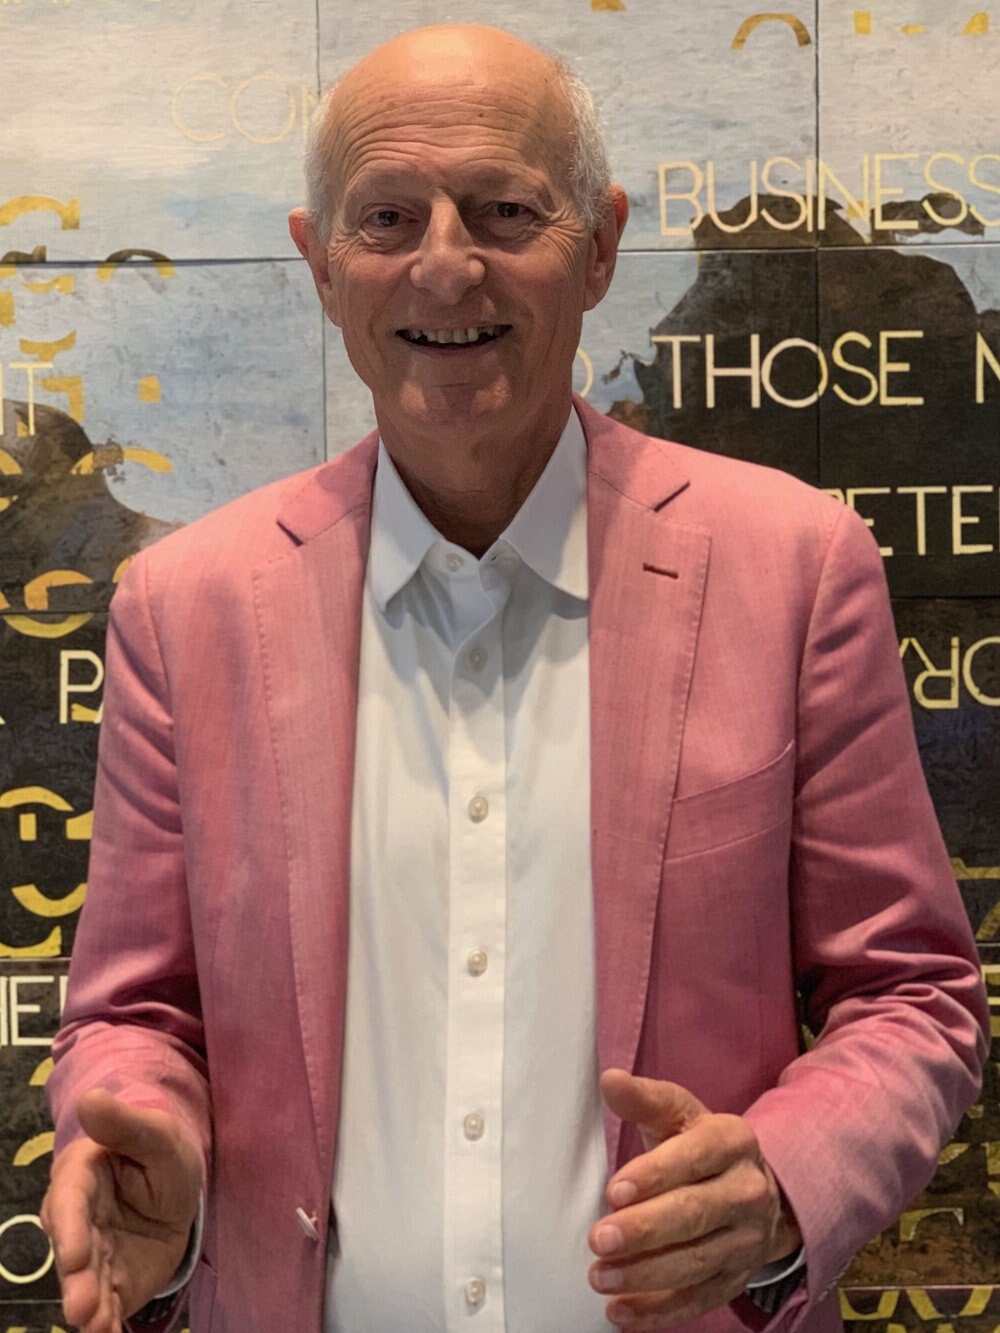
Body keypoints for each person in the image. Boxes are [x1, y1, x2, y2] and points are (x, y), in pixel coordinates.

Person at [42, 23, 988, 1333]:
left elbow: (911, 996)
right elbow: (134, 1011)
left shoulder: (793, 568)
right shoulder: (186, 607)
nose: (445, 262)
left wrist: (782, 1182)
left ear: (599, 247)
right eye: (388, 217)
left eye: (504, 210)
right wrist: (148, 1137)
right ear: (321, 265)